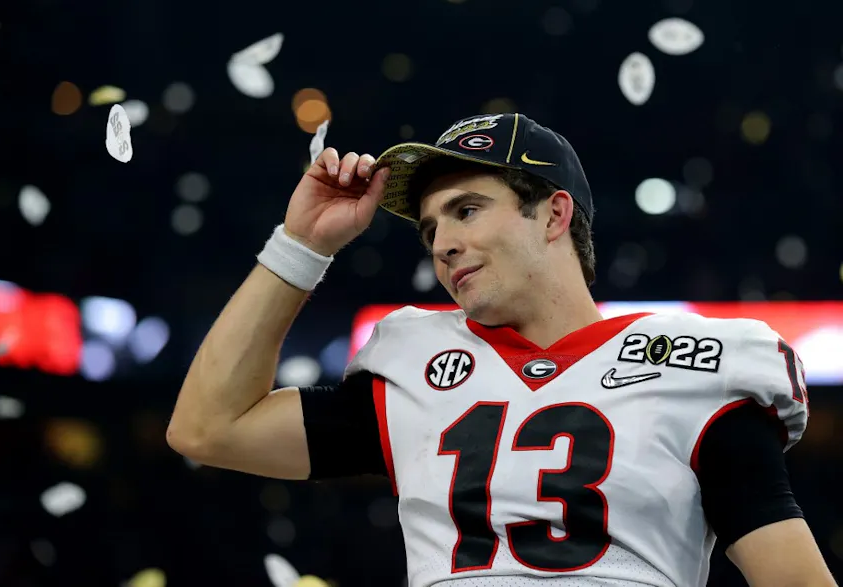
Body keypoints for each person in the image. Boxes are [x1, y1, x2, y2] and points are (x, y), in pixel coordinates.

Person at [167, 113, 836, 587]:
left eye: (466, 210)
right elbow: (207, 426)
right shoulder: (415, 367)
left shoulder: (698, 368)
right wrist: (300, 244)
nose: (441, 243)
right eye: (430, 226)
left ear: (553, 214)